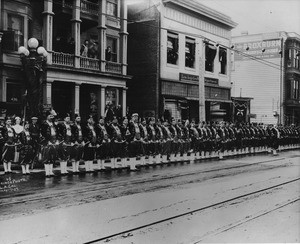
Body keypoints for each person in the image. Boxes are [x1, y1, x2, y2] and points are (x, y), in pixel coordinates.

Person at [40, 111, 58, 177]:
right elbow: (43, 134)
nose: (51, 117)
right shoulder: (44, 124)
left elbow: (57, 131)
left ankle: (51, 171)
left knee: (52, 157)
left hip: (54, 141)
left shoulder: (53, 124)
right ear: (47, 117)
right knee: (46, 157)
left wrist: (56, 140)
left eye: (52, 116)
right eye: (50, 116)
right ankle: (47, 172)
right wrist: (47, 141)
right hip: (47, 142)